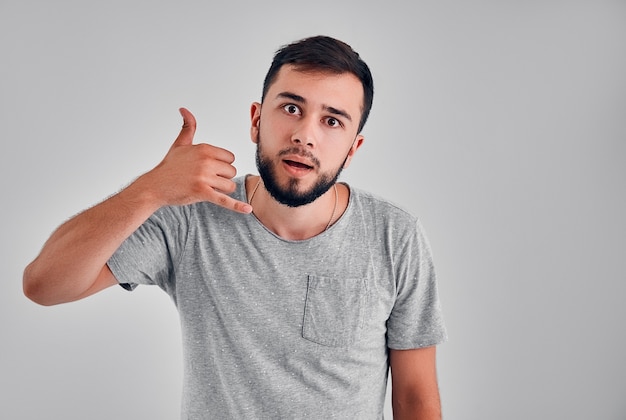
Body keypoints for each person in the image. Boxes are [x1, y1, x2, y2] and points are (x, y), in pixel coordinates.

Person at [23, 35, 447, 419]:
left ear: (353, 148)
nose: (305, 135)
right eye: (291, 108)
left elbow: (414, 397)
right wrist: (149, 190)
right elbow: (44, 285)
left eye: (332, 120)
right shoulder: (191, 217)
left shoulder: (395, 236)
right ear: (256, 119)